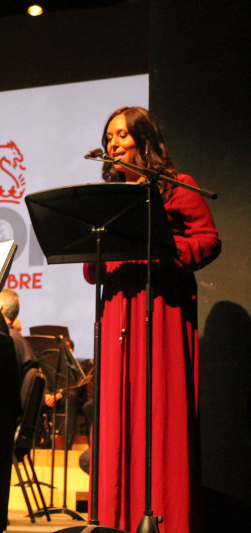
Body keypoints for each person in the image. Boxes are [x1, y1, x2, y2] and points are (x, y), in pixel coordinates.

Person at [84, 106, 220, 533]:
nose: (113, 143)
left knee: (160, 413)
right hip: (117, 310)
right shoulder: (106, 200)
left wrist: (167, 252)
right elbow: (92, 268)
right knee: (116, 414)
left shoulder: (177, 187)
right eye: (109, 138)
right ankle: (112, 519)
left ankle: (165, 516)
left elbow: (207, 240)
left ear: (144, 140)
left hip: (160, 306)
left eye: (122, 135)